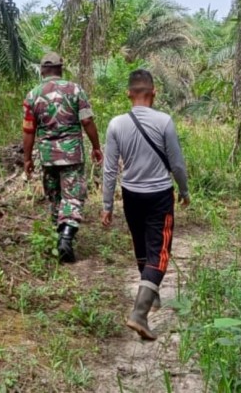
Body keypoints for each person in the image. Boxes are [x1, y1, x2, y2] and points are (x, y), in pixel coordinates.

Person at [101, 69, 190, 340]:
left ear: (129, 93)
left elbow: (109, 169)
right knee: (160, 252)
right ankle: (139, 314)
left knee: (142, 246)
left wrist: (107, 205)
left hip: (131, 195)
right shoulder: (164, 121)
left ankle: (151, 295)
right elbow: (175, 163)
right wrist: (184, 189)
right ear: (154, 93)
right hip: (159, 195)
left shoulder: (116, 124)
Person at [23, 52, 103, 263]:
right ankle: (66, 238)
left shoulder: (32, 95)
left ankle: (57, 238)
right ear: (61, 69)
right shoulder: (74, 89)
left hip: (48, 156)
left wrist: (28, 159)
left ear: (42, 71)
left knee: (55, 196)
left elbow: (29, 130)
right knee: (73, 196)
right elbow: (87, 121)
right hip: (71, 154)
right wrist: (96, 147)